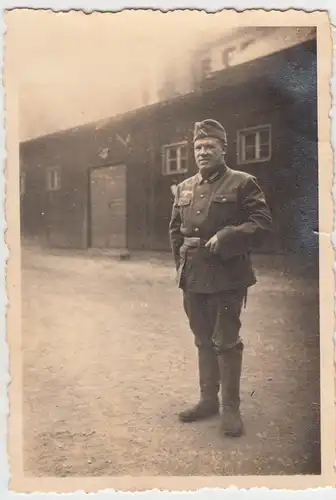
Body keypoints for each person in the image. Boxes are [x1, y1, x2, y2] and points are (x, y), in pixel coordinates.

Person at [169, 119, 272, 437]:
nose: (202, 152)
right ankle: (207, 401)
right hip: (194, 277)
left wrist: (228, 236)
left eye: (209, 147)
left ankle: (231, 409)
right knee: (202, 339)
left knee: (225, 342)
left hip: (227, 277)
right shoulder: (184, 187)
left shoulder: (243, 182)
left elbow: (262, 223)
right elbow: (175, 229)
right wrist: (182, 268)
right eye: (198, 147)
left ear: (223, 149)